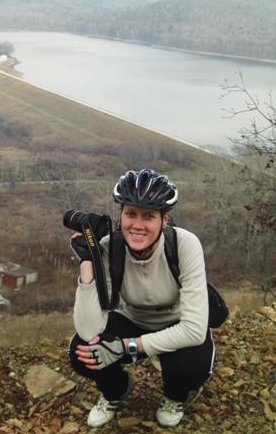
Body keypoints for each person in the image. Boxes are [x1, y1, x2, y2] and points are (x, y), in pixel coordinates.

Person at [68, 168, 215, 428]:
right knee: (83, 350)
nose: (137, 225)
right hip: (131, 317)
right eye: (130, 214)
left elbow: (193, 331)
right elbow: (88, 330)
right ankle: (116, 390)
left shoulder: (185, 245)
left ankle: (175, 396)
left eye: (148, 216)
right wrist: (87, 262)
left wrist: (125, 347)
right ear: (120, 215)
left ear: (164, 219)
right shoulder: (109, 248)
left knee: (191, 367)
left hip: (176, 319)